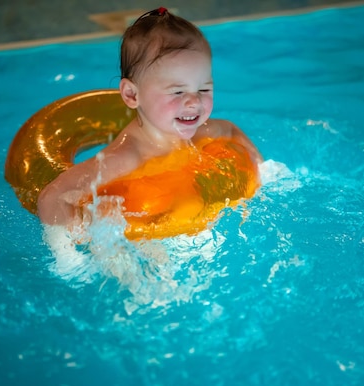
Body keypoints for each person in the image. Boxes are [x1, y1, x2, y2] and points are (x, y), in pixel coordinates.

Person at [37, 7, 263, 231]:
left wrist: (261, 170)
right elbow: (52, 198)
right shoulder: (126, 158)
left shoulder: (206, 132)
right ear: (132, 95)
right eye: (177, 92)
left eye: (204, 89)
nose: (194, 102)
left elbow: (231, 131)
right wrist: (73, 255)